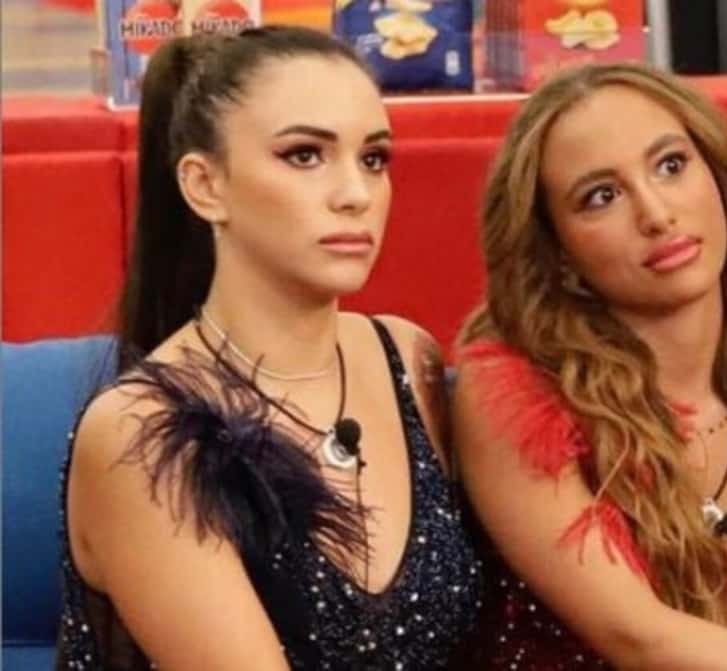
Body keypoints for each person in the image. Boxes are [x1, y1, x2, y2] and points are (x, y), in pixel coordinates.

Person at [58, 26, 482, 670]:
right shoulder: (138, 434)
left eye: (374, 158)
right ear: (205, 185)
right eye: (305, 155)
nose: (356, 194)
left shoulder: (408, 356)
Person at [452, 63, 727, 669]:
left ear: (716, 172)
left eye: (670, 165)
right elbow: (639, 637)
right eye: (601, 197)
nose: (657, 214)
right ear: (557, 251)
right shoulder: (510, 389)